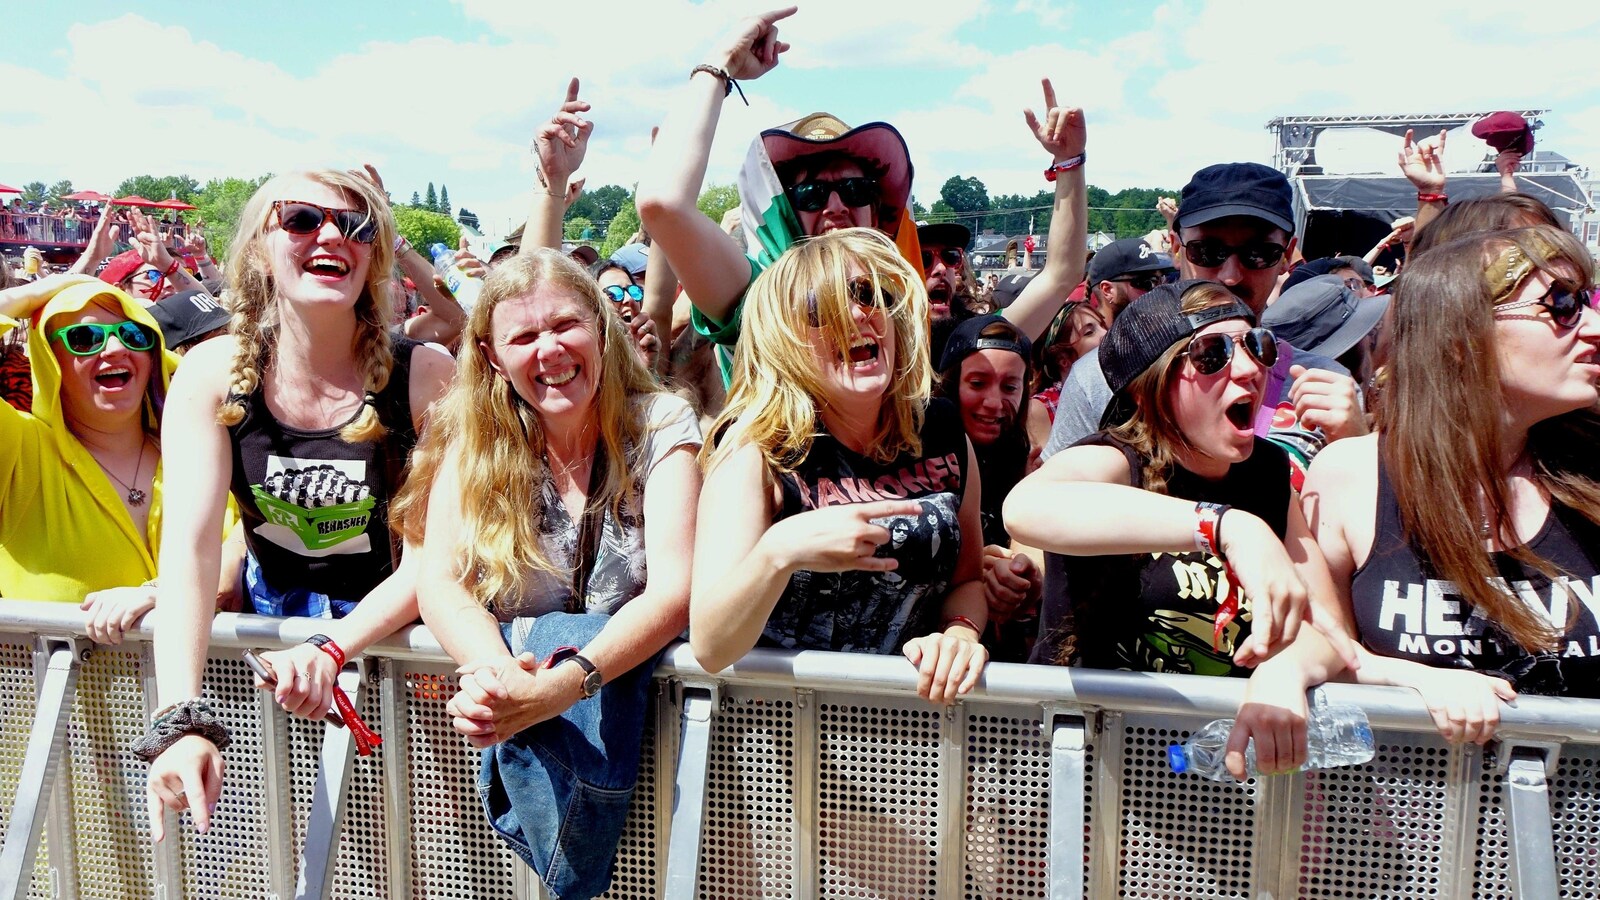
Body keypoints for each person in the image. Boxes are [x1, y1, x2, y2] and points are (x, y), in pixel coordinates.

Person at [142, 169, 455, 839]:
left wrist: (334, 647)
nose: (334, 234)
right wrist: (179, 717)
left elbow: (438, 559)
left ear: (373, 254)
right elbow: (192, 550)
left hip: (404, 647)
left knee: (424, 850)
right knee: (285, 846)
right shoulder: (210, 370)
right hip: (271, 655)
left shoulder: (426, 373)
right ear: (260, 247)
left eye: (358, 225)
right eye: (303, 220)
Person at [1006, 279, 1358, 778]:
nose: (1250, 368)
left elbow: (1331, 633)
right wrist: (1223, 526)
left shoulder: (1270, 475)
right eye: (1211, 353)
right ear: (1147, 385)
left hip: (1214, 777)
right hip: (1084, 770)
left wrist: (1288, 667)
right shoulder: (1114, 459)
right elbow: (1025, 506)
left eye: (1257, 345)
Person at [1301, 225, 1600, 744]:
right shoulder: (1350, 476)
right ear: (1461, 338)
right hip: (1399, 819)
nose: (1594, 326)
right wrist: (1413, 679)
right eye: (1563, 304)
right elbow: (1316, 648)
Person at [690, 228, 989, 704]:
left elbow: (968, 581)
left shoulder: (942, 426)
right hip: (782, 738)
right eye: (818, 311)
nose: (856, 315)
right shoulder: (755, 450)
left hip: (915, 724)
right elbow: (709, 644)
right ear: (785, 341)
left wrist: (959, 634)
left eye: (869, 294)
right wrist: (778, 552)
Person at [1042, 162, 1364, 461]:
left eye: (1259, 253)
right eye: (1209, 251)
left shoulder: (1326, 388)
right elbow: (1043, 512)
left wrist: (1355, 444)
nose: (1230, 275)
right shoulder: (1102, 378)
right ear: (1178, 250)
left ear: (1286, 256)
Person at [935, 314, 1042, 663]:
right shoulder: (922, 456)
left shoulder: (1031, 459)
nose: (995, 403)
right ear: (950, 384)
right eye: (978, 383)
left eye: (1010, 387)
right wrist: (968, 567)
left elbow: (1032, 539)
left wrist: (1017, 572)